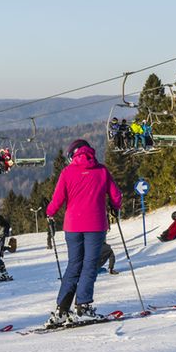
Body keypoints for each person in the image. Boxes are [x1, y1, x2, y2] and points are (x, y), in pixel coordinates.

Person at [45, 139, 123, 327]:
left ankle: (62, 310)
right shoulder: (102, 171)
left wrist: (49, 213)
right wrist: (115, 207)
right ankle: (83, 307)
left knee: (74, 265)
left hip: (73, 226)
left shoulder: (67, 172)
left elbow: (57, 199)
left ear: (73, 154)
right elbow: (116, 196)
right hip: (95, 225)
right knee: (89, 266)